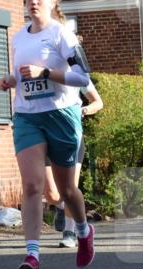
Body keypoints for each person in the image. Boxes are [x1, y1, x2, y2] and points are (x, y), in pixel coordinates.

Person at [0, 0, 95, 269]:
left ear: (52, 2)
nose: (33, 2)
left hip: (62, 115)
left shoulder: (62, 34)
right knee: (32, 186)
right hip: (28, 116)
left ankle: (83, 229)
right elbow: (20, 75)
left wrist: (46, 73)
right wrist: (10, 81)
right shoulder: (17, 39)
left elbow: (82, 76)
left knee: (67, 190)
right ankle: (32, 256)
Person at [43, 79, 104, 248]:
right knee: (51, 194)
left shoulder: (75, 73)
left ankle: (70, 233)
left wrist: (84, 110)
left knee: (70, 187)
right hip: (45, 137)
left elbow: (98, 102)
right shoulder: (40, 73)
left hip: (71, 136)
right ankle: (62, 206)